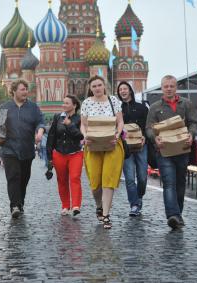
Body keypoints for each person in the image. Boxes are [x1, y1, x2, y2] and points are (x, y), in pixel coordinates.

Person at [146, 75, 197, 229]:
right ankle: (172, 215)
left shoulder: (186, 104)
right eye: (166, 86)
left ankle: (178, 214)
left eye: (171, 86)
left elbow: (194, 123)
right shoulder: (155, 107)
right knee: (169, 183)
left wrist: (191, 134)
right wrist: (154, 139)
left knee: (180, 184)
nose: (169, 88)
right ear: (161, 88)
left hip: (183, 150)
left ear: (176, 87)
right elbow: (149, 128)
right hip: (163, 151)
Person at [0, 79, 45, 218]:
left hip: (27, 149)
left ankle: (20, 203)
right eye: (22, 89)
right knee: (13, 176)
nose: (25, 91)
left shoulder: (33, 107)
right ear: (14, 91)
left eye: (26, 89)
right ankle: (14, 205)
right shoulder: (5, 107)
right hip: (9, 148)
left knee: (24, 178)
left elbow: (40, 122)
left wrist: (39, 132)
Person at [80, 75, 125, 229]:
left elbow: (120, 122)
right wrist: (85, 137)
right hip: (93, 145)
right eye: (94, 86)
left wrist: (117, 135)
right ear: (90, 89)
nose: (97, 88)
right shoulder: (86, 103)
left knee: (108, 179)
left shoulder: (114, 101)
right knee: (95, 182)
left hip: (112, 144)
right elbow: (83, 125)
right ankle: (99, 205)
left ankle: (106, 215)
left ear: (104, 86)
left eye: (99, 85)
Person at [46, 95, 84, 216]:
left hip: (75, 153)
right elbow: (52, 136)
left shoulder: (79, 118)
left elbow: (80, 136)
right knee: (62, 180)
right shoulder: (57, 117)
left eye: (67, 103)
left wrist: (69, 125)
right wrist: (49, 156)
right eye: (63, 103)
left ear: (74, 105)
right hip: (59, 153)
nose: (64, 105)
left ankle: (76, 205)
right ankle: (65, 206)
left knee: (74, 178)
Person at [117, 81, 148, 217]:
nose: (123, 91)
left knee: (142, 177)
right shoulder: (117, 109)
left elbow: (148, 125)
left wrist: (145, 137)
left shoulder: (142, 107)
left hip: (141, 145)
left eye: (125, 88)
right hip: (125, 146)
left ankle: (139, 196)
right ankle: (134, 204)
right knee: (129, 178)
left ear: (130, 90)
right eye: (120, 89)